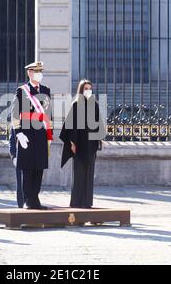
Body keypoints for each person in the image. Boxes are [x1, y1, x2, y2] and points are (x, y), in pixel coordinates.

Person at [11, 61, 53, 210]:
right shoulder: (22, 90)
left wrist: (49, 134)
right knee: (28, 169)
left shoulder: (46, 90)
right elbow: (15, 114)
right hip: (27, 135)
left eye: (40, 71)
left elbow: (48, 114)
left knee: (38, 168)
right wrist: (19, 133)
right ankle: (29, 200)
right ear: (29, 73)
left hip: (40, 134)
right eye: (36, 71)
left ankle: (35, 200)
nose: (39, 74)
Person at [59, 80, 104, 208]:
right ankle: (76, 203)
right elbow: (70, 126)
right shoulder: (76, 104)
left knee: (89, 174)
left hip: (91, 145)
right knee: (79, 175)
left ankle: (87, 203)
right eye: (86, 88)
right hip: (79, 145)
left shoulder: (94, 104)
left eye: (90, 88)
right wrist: (72, 143)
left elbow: (98, 123)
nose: (88, 90)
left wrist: (100, 139)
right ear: (81, 90)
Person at [9, 126, 24, 208]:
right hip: (19, 158)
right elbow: (12, 142)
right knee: (20, 183)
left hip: (31, 158)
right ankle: (21, 205)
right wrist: (14, 157)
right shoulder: (16, 124)